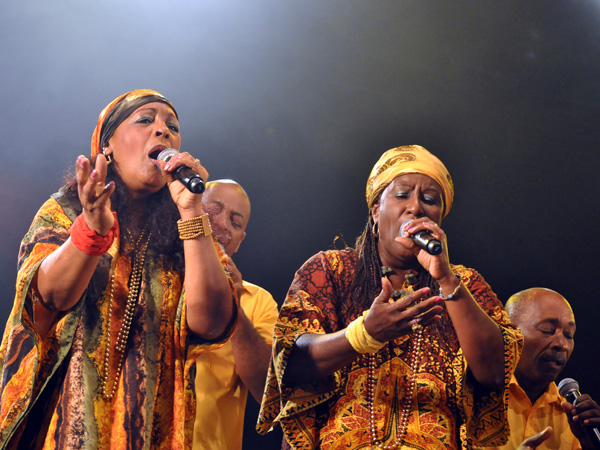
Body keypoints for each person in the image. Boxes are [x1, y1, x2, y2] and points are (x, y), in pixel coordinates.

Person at [0, 89, 237, 449]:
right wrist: (92, 232)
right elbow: (45, 297)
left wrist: (192, 212)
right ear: (107, 145)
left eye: (172, 127)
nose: (163, 131)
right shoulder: (66, 210)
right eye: (146, 120)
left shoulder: (189, 232)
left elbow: (213, 322)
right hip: (60, 430)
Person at [257, 144, 523, 449]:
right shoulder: (329, 270)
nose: (416, 207)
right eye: (402, 195)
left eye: (429, 200)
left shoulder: (466, 285)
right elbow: (289, 360)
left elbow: (495, 374)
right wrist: (364, 334)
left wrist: (446, 279)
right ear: (375, 211)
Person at [192, 179, 278, 450]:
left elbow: (266, 391)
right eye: (213, 209)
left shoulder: (258, 302)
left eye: (235, 222)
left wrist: (234, 305)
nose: (221, 224)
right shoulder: (148, 277)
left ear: (239, 242)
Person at [487, 287, 600, 450]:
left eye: (569, 335)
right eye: (548, 330)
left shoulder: (571, 419)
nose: (562, 344)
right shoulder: (467, 396)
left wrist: (589, 444)